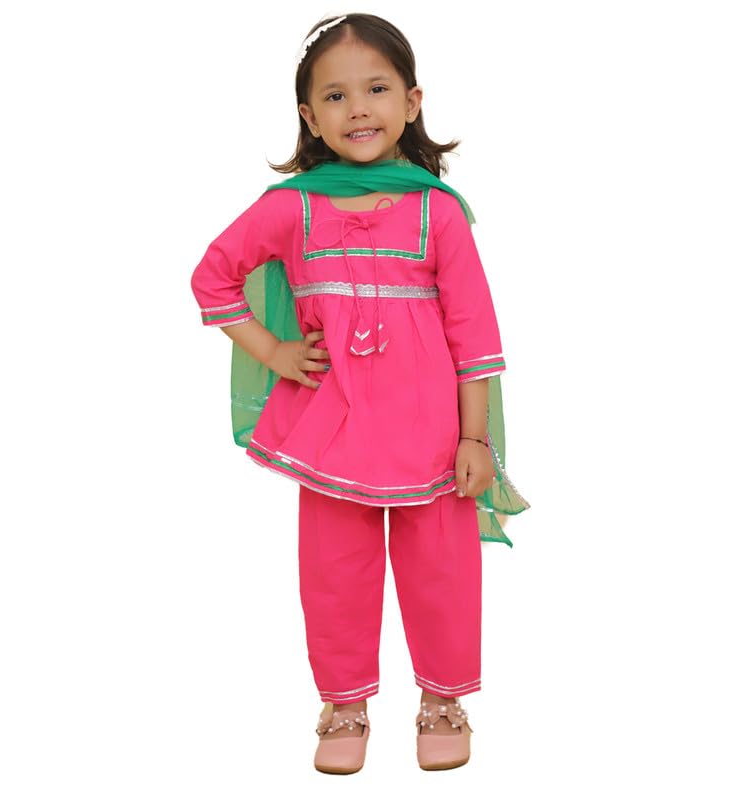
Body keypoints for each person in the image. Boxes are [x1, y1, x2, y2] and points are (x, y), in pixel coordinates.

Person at [189, 13, 530, 774]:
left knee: (442, 572)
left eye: (376, 89)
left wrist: (474, 438)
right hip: (332, 431)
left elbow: (474, 333)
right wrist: (273, 350)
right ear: (310, 117)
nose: (358, 109)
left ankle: (443, 699)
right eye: (336, 96)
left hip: (434, 436)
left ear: (412, 102)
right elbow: (212, 277)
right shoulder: (291, 207)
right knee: (334, 574)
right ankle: (344, 704)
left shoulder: (438, 211)